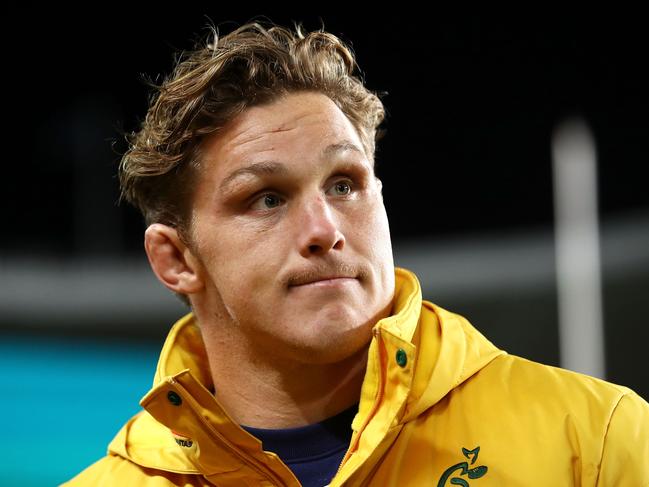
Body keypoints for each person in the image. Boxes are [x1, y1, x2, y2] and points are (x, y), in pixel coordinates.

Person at [65, 20, 649, 487]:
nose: (324, 229)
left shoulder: (596, 443)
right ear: (176, 260)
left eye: (344, 184)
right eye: (266, 198)